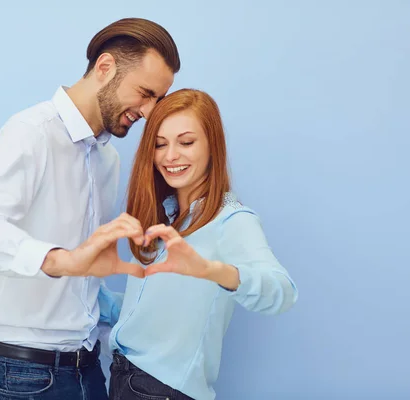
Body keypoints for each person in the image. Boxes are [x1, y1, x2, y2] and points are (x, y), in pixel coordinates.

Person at [0, 17, 180, 400]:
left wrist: (145, 308)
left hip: (86, 370)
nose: (148, 111)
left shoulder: (106, 159)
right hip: (17, 377)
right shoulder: (31, 132)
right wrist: (62, 260)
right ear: (105, 67)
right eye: (144, 93)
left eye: (156, 99)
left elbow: (80, 286)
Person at [107, 89, 298, 400]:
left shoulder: (231, 220)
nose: (170, 156)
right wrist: (83, 292)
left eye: (186, 142)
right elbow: (153, 314)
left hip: (161, 391)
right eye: (160, 144)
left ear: (213, 146)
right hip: (124, 380)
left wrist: (210, 270)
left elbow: (282, 292)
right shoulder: (166, 218)